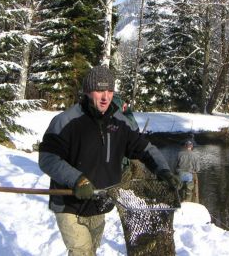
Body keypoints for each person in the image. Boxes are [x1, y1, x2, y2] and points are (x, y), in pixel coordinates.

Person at [38, 65, 180, 256]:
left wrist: (163, 170)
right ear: (88, 91)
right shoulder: (65, 121)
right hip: (68, 202)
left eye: (110, 90)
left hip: (99, 203)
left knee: (92, 250)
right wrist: (77, 179)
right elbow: (48, 158)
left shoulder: (120, 123)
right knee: (82, 251)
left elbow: (145, 149)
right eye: (99, 90)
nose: (105, 97)